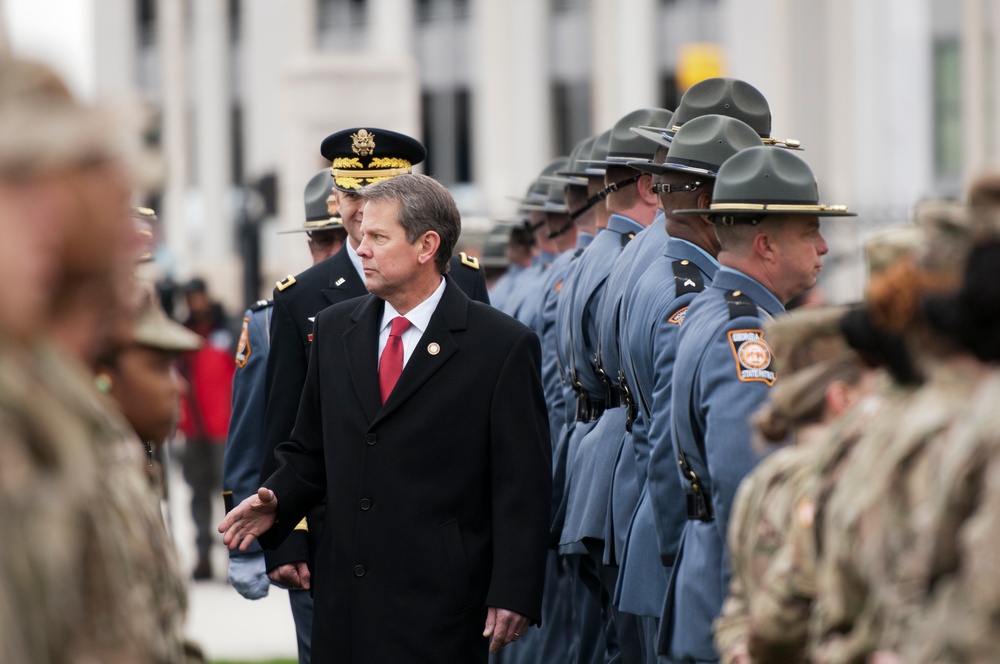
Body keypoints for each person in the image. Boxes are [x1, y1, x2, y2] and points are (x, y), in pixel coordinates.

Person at [221, 173, 551, 663]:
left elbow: (522, 484)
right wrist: (278, 498)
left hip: (442, 604)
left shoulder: (500, 345)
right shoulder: (335, 329)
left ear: (426, 246)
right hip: (346, 601)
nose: (361, 250)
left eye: (377, 237)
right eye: (360, 236)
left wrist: (513, 590)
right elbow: (309, 449)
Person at [258, 128, 490, 658]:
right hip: (337, 536)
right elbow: (288, 425)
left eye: (376, 195)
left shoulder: (463, 280)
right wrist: (288, 536)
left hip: (434, 539)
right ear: (335, 199)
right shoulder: (305, 296)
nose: (361, 212)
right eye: (352, 196)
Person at [661, 145, 854, 663]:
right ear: (766, 245)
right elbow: (748, 482)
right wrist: (765, 615)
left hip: (710, 570)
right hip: (734, 587)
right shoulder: (744, 334)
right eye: (810, 231)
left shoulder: (714, 309)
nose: (824, 247)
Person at [616, 113, 765, 664]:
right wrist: (684, 557)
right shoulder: (688, 290)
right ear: (710, 196)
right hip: (675, 537)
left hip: (648, 522)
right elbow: (666, 441)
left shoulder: (659, 261)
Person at [557, 106, 672, 664]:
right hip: (619, 456)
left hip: (596, 449)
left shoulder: (602, 255)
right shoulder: (631, 258)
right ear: (650, 186)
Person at [222, 169, 347, 662]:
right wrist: (251, 540)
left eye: (346, 237)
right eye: (325, 240)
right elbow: (253, 428)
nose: (337, 252)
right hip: (310, 524)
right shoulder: (277, 316)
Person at [712, 305, 874, 664]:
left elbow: (738, 604)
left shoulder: (762, 480)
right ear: (841, 398)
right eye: (871, 387)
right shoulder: (841, 482)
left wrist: (740, 651)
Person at [179, 276, 235, 580]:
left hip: (223, 427)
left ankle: (234, 557)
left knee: (229, 494)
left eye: (196, 296)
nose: (193, 303)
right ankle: (202, 557)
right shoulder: (183, 331)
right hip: (194, 428)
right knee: (198, 493)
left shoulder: (225, 329)